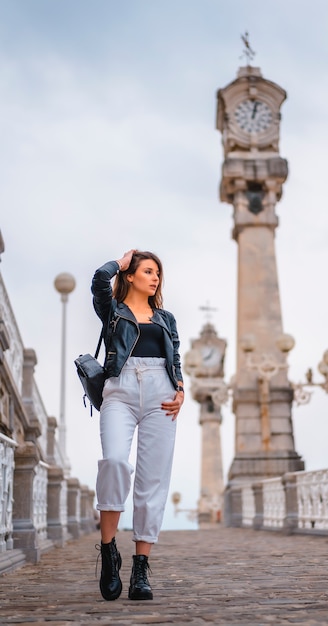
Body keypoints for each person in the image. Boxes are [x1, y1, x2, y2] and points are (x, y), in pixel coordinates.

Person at [91, 249, 184, 602]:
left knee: (153, 480)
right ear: (131, 275)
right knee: (114, 461)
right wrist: (119, 261)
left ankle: (141, 567)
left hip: (162, 394)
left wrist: (180, 390)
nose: (155, 277)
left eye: (158, 272)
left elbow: (174, 355)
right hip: (121, 390)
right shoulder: (113, 312)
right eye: (148, 270)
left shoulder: (166, 318)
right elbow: (99, 281)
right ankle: (109, 550)